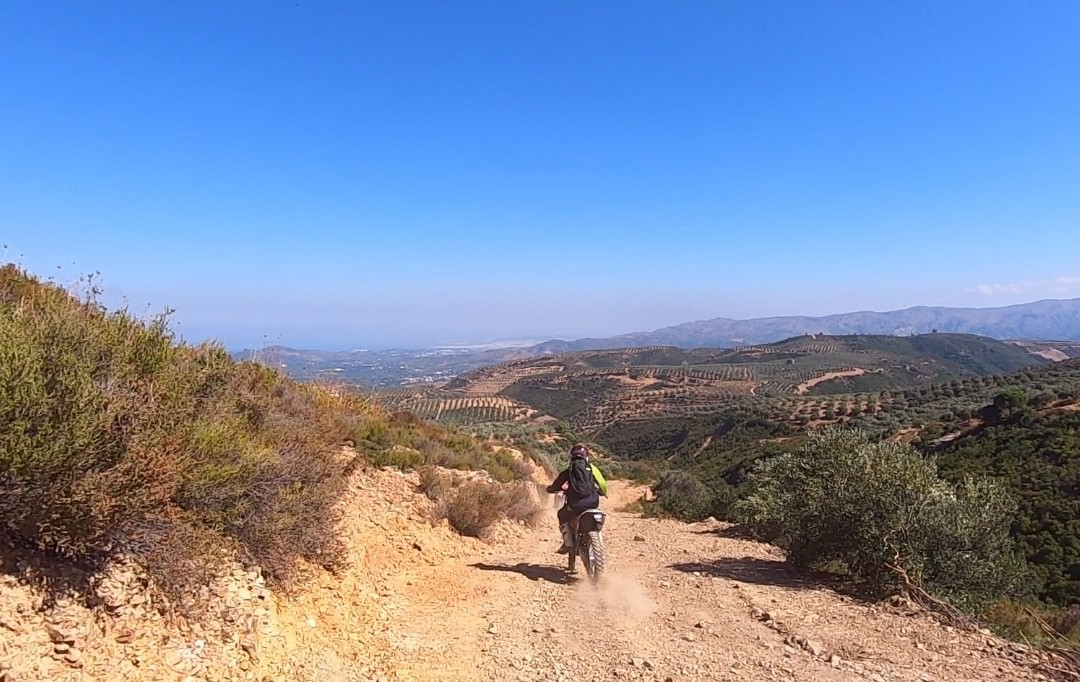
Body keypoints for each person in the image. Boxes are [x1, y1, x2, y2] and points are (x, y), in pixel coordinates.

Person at [546, 442, 608, 553]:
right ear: (586, 456)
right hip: (593, 503)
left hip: (575, 505)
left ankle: (568, 543)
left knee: (562, 514)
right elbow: (602, 484)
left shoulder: (569, 469)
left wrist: (550, 489)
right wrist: (603, 492)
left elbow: (556, 485)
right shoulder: (592, 468)